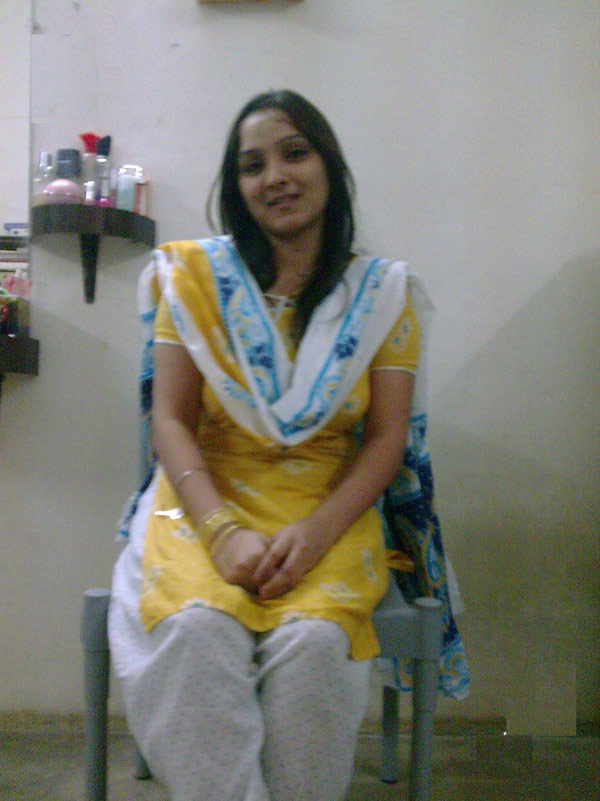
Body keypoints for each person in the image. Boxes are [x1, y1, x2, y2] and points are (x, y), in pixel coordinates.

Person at [108, 89, 427, 801]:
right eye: (252, 165)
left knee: (316, 646)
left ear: (329, 167)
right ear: (237, 187)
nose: (275, 176)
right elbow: (171, 421)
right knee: (195, 630)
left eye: (295, 153)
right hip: (202, 499)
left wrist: (316, 534)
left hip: (327, 507)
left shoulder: (382, 294)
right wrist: (221, 532)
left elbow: (386, 437)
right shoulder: (193, 280)